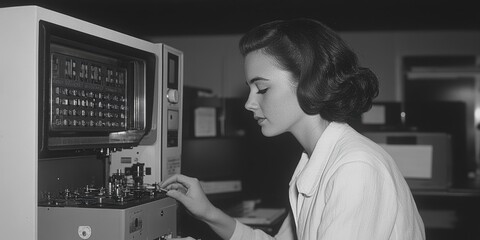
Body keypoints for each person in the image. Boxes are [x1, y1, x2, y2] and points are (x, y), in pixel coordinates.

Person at [161, 18, 425, 240]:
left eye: (262, 88)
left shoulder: (355, 167)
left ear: (309, 81)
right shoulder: (315, 161)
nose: (249, 103)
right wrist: (208, 213)